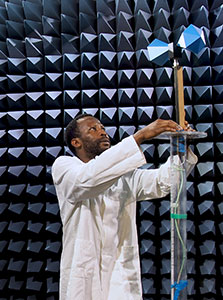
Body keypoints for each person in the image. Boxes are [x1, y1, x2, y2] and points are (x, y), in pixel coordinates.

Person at [52, 114, 198, 300]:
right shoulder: (65, 166)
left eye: (103, 128)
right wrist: (140, 137)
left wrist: (181, 151)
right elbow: (87, 180)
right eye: (93, 129)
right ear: (76, 142)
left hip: (118, 275)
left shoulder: (124, 175)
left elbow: (163, 182)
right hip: (84, 275)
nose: (103, 133)